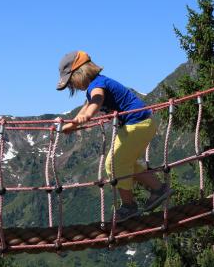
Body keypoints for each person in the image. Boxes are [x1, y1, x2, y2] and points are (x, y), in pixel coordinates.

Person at [56, 50, 172, 222]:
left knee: (114, 164)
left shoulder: (97, 86)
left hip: (137, 125)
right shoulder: (97, 84)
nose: (73, 87)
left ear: (79, 73)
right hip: (141, 124)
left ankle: (129, 206)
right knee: (126, 164)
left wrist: (87, 116)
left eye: (71, 82)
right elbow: (85, 108)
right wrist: (66, 126)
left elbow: (96, 101)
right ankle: (159, 189)